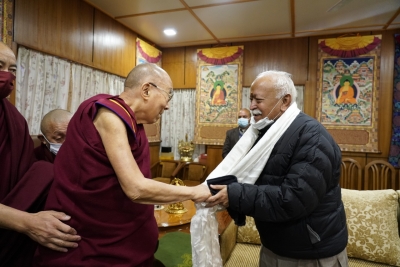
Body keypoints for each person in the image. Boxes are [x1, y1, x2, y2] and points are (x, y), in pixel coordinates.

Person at [34, 63, 211, 267]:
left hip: (129, 240)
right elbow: (135, 189)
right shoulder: (109, 114)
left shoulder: (135, 125)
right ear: (146, 90)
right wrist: (195, 192)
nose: (168, 105)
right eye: (168, 96)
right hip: (94, 247)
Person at [196, 70, 348, 266]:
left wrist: (234, 194)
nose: (251, 107)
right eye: (250, 99)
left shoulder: (312, 137)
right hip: (275, 245)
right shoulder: (266, 133)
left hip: (309, 252)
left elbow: (293, 199)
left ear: (285, 102)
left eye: (258, 100)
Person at [0, 42, 80, 266]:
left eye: (13, 70)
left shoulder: (14, 120)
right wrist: (26, 223)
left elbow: (28, 184)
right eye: (0, 66)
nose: (7, 76)